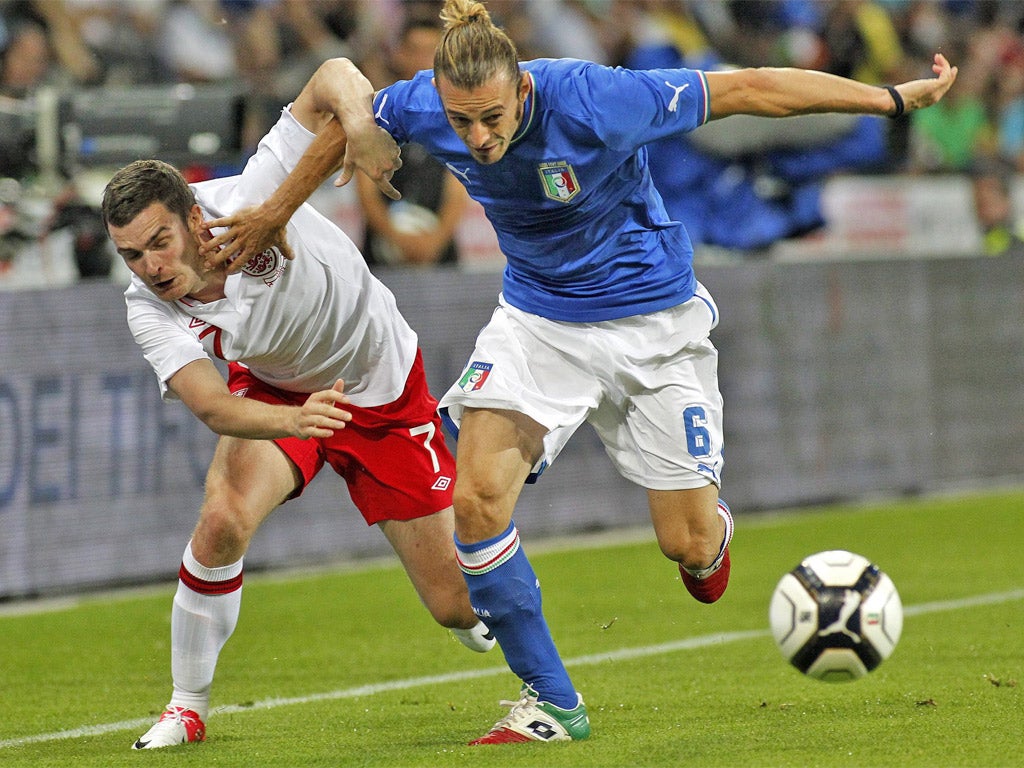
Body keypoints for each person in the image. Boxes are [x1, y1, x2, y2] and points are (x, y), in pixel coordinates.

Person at [199, 0, 957, 745]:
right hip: (540, 323)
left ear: (523, 90)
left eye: (491, 118)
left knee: (686, 547)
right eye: (461, 122)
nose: (477, 137)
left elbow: (748, 88)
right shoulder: (428, 105)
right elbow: (343, 118)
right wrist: (279, 209)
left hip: (654, 324)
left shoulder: (598, 98)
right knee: (474, 500)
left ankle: (711, 534)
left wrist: (886, 99)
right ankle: (552, 701)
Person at [100, 56, 495, 751]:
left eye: (159, 243)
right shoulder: (147, 308)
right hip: (282, 395)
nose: (151, 267)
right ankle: (185, 709)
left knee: (455, 607)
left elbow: (336, 72)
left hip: (379, 381)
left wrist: (362, 124)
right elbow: (216, 409)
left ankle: (486, 620)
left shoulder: (253, 191)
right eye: (133, 255)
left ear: (194, 218)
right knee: (221, 519)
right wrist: (295, 420)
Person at [355, 13, 468, 267]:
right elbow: (366, 191)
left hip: (439, 254)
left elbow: (458, 188)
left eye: (431, 52)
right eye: (416, 50)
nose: (423, 61)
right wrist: (395, 238)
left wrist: (435, 243)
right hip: (382, 256)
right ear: (399, 54)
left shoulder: (459, 117)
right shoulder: (375, 113)